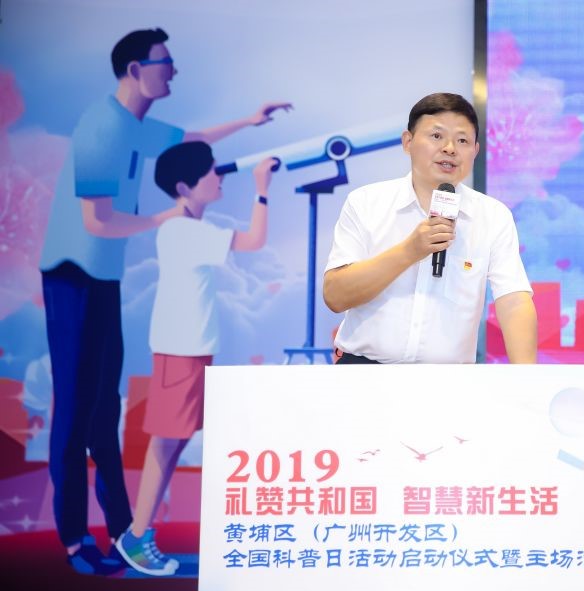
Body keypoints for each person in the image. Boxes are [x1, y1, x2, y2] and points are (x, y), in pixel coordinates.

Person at [38, 27, 291, 575]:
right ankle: (76, 540)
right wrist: (167, 220)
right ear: (135, 71)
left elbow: (191, 139)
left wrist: (250, 120)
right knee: (75, 410)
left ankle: (123, 532)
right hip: (72, 274)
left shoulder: (137, 126)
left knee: (106, 410)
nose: (173, 71)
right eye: (165, 62)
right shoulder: (101, 129)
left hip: (104, 276)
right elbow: (96, 221)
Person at [112, 142, 277, 575]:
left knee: (173, 443)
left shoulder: (187, 229)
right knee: (165, 443)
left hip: (190, 352)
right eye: (210, 172)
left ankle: (139, 534)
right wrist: (261, 189)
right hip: (180, 353)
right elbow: (255, 240)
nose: (218, 177)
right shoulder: (183, 232)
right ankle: (136, 537)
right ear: (186, 186)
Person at [323, 92, 537, 364]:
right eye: (436, 136)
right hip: (363, 371)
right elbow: (335, 296)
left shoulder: (493, 216)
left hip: (449, 379)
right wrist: (410, 251)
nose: (450, 148)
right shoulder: (366, 202)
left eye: (462, 140)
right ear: (408, 142)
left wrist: (526, 378)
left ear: (475, 151)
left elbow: (514, 300)